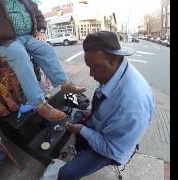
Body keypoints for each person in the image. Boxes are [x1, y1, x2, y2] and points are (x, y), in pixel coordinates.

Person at [58, 31, 155, 180]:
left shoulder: (131, 106)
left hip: (112, 150)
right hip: (107, 129)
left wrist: (83, 130)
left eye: (94, 67)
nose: (91, 74)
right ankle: (82, 148)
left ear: (113, 59)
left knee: (65, 174)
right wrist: (90, 113)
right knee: (77, 115)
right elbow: (104, 102)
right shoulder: (116, 72)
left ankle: (84, 150)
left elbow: (112, 149)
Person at [0, 0, 86, 121]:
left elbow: (39, 16)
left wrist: (41, 30)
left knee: (47, 49)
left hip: (28, 37)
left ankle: (64, 83)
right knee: (20, 55)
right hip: (4, 40)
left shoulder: (26, 1)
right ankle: (39, 104)